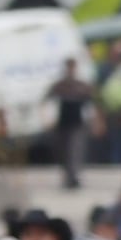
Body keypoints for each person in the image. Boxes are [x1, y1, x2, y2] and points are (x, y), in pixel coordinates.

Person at [48, 58, 94, 190]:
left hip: (77, 123)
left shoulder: (81, 85)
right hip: (63, 123)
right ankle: (68, 175)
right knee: (64, 152)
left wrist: (94, 120)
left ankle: (74, 176)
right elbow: (48, 101)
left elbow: (91, 103)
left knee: (75, 150)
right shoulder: (60, 85)